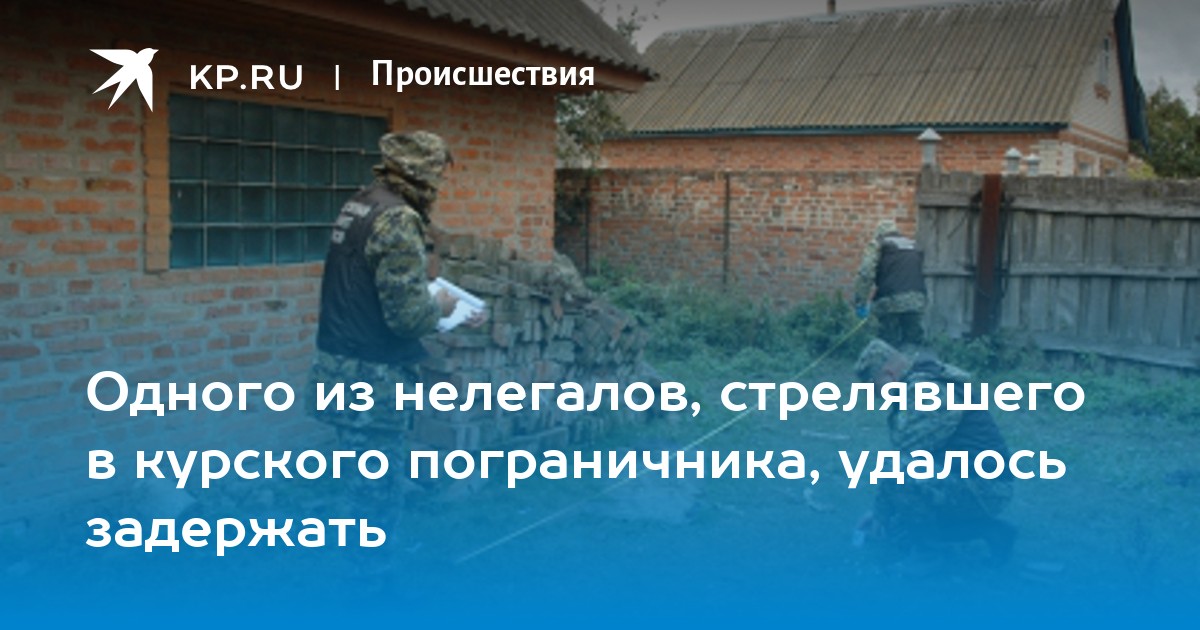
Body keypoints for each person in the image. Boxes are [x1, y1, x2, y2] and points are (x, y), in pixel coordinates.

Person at [309, 130, 478, 511]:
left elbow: (371, 285)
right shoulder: (399, 219)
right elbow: (407, 317)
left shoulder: (360, 204)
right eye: (440, 174)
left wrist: (431, 300)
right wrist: (443, 307)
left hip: (340, 367)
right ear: (423, 175)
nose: (441, 183)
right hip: (372, 379)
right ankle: (368, 553)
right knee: (375, 502)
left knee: (357, 488)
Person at [853, 338, 1016, 565]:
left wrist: (880, 514)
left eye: (874, 388)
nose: (876, 396)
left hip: (986, 487)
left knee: (899, 475)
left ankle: (929, 556)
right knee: (900, 525)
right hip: (970, 478)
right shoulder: (921, 382)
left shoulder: (927, 392)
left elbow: (904, 454)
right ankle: (992, 531)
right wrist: (883, 515)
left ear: (889, 375)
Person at [853, 220, 927, 348]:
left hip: (889, 301)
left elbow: (866, 273)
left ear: (879, 234)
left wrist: (860, 301)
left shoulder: (879, 244)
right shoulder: (914, 245)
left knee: (886, 344)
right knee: (912, 345)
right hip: (917, 301)